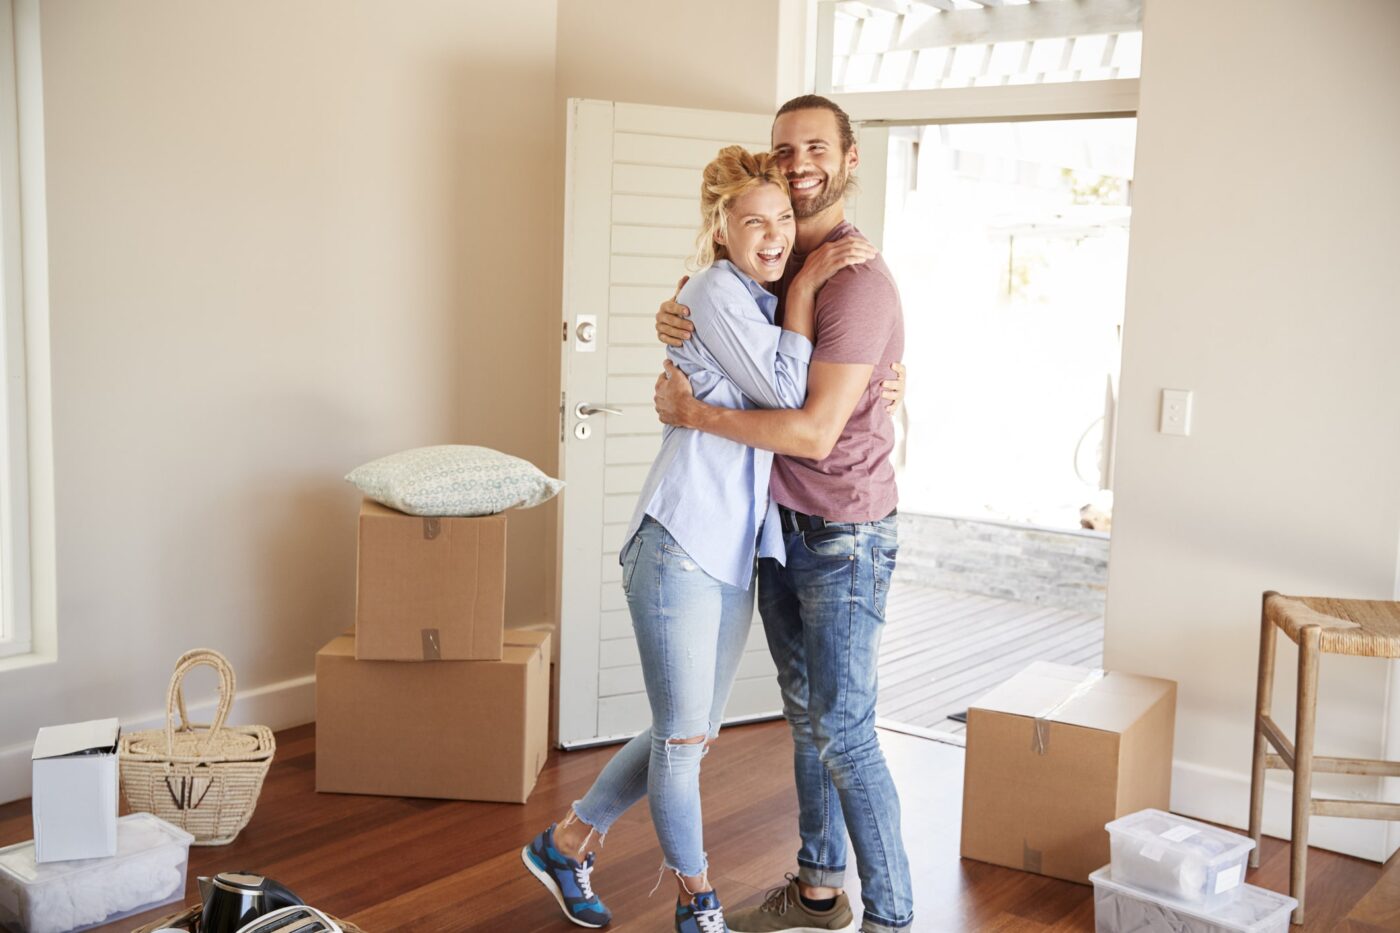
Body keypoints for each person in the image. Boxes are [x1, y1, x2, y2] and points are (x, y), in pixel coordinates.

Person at [522, 145, 873, 933]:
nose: (776, 236)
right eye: (755, 222)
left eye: (784, 219)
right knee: (683, 739)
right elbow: (788, 396)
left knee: (688, 731)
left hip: (728, 553)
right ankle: (698, 902)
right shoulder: (718, 290)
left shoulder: (750, 297)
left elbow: (800, 392)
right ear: (721, 228)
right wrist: (811, 285)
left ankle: (567, 840)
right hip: (679, 542)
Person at [652, 95, 913, 933]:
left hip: (843, 532)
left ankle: (895, 918)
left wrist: (696, 415)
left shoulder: (853, 279)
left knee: (846, 730)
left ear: (849, 159)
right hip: (779, 528)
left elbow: (811, 427)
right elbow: (724, 330)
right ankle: (818, 889)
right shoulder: (766, 272)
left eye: (815, 148)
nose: (798, 163)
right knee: (808, 722)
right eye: (783, 149)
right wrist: (678, 317)